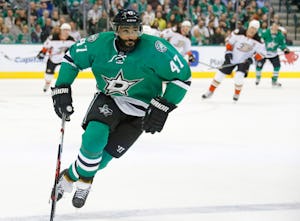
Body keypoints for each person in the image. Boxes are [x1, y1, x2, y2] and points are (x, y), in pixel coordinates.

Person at [50, 9, 191, 209]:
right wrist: (62, 87)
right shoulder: (100, 43)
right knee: (93, 139)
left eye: (135, 30)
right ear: (116, 30)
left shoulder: (156, 49)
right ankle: (86, 184)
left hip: (142, 110)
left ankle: (70, 176)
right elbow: (72, 58)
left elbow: (183, 77)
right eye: (126, 30)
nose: (131, 35)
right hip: (110, 99)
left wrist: (163, 106)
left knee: (102, 161)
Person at [202, 20, 266, 102]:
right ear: (248, 27)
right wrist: (228, 53)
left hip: (244, 61)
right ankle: (210, 91)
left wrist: (252, 59)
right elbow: (229, 42)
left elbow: (262, 54)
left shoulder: (259, 40)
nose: (252, 30)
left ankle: (237, 93)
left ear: (257, 30)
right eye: (251, 28)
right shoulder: (238, 32)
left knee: (238, 77)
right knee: (219, 75)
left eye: (255, 29)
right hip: (232, 58)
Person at [37, 23, 75, 92]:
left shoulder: (71, 40)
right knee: (48, 75)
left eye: (68, 30)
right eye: (64, 30)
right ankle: (47, 83)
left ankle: (62, 86)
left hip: (64, 60)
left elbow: (74, 50)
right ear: (61, 30)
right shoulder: (52, 38)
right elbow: (46, 46)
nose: (66, 32)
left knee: (66, 73)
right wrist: (42, 53)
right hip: (53, 59)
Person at [255, 22, 290, 87]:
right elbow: (260, 39)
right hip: (263, 53)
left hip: (273, 54)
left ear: (278, 27)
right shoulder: (266, 32)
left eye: (276, 26)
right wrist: (260, 42)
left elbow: (282, 44)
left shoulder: (280, 35)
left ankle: (274, 80)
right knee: (258, 66)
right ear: (272, 26)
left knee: (277, 67)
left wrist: (285, 49)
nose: (274, 27)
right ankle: (258, 77)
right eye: (273, 26)